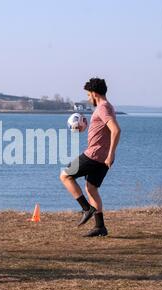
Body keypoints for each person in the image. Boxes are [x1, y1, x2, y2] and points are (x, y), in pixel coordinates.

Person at [60, 78, 121, 237]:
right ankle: (100, 227)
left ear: (94, 94)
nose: (88, 98)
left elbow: (116, 130)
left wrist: (111, 153)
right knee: (91, 188)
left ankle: (86, 208)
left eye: (88, 95)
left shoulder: (102, 108)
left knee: (65, 175)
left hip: (94, 155)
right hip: (102, 158)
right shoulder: (108, 107)